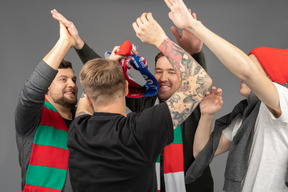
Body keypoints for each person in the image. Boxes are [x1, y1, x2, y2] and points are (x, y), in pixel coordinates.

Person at [56, 9, 214, 191]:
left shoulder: (78, 127)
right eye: (159, 71)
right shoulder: (141, 126)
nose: (163, 78)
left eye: (172, 72)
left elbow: (95, 88)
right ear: (126, 88)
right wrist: (160, 40)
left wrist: (86, 48)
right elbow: (197, 83)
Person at [164, 0, 288, 191]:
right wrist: (206, 115)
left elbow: (246, 71)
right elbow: (200, 152)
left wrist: (193, 26)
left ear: (270, 78)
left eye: (254, 67)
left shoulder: (283, 100)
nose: (241, 74)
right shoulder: (246, 117)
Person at [14, 9, 100, 192]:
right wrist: (64, 43)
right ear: (46, 87)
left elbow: (106, 84)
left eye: (74, 80)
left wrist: (79, 44)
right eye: (63, 79)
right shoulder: (31, 118)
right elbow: (31, 91)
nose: (71, 84)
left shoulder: (85, 117)